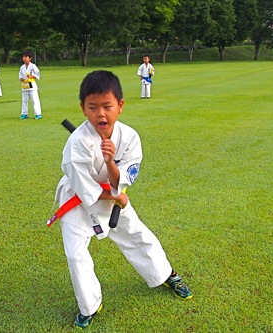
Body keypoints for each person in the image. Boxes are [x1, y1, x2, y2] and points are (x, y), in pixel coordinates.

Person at [53, 70, 192, 329]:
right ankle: (89, 305)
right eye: (92, 107)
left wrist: (109, 162)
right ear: (83, 109)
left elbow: (125, 177)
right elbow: (86, 188)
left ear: (120, 106)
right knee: (75, 254)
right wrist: (115, 196)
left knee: (139, 235)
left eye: (107, 106)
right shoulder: (77, 143)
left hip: (114, 196)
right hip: (77, 200)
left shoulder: (129, 137)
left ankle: (166, 274)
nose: (100, 114)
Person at [19, 50, 42, 119]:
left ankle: (38, 114)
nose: (24, 58)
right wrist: (21, 79)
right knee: (24, 100)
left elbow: (37, 74)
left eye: (26, 57)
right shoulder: (22, 67)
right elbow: (20, 75)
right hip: (25, 85)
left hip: (31, 85)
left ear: (30, 58)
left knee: (34, 100)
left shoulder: (33, 66)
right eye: (23, 57)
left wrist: (32, 76)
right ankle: (24, 113)